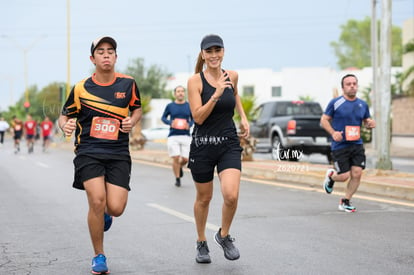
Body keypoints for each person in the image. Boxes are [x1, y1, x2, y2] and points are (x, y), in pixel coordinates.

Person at [58, 36, 142, 274]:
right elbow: (64, 115)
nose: (106, 55)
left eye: (110, 51)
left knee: (115, 207)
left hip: (117, 152)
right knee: (96, 200)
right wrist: (63, 125)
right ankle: (99, 255)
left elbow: (137, 108)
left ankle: (106, 213)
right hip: (89, 151)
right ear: (92, 58)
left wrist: (132, 120)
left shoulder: (128, 84)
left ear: (116, 57)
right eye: (101, 51)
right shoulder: (81, 88)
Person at [187, 34, 249, 263]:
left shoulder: (232, 76)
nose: (214, 55)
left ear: (223, 52)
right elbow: (198, 118)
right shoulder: (195, 81)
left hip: (228, 143)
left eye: (217, 50)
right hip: (203, 145)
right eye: (209, 51)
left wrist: (243, 117)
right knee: (204, 198)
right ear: (203, 54)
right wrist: (216, 94)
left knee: (231, 195)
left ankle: (223, 235)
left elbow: (236, 94)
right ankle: (201, 242)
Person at [320, 74, 376, 213]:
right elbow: (324, 120)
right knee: (344, 176)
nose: (352, 86)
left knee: (357, 174)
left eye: (354, 83)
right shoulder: (335, 103)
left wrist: (370, 123)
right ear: (343, 87)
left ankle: (345, 201)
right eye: (348, 84)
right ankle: (331, 178)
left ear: (357, 85)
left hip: (356, 144)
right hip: (340, 145)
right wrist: (333, 133)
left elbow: (366, 121)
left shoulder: (363, 104)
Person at [161, 85, 194, 187]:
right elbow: (163, 118)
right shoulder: (170, 106)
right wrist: (170, 123)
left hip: (186, 135)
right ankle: (177, 179)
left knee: (185, 159)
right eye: (178, 91)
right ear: (175, 94)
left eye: (182, 91)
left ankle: (179, 167)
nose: (180, 93)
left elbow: (194, 118)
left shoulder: (189, 105)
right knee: (176, 157)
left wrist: (190, 124)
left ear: (184, 94)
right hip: (173, 135)